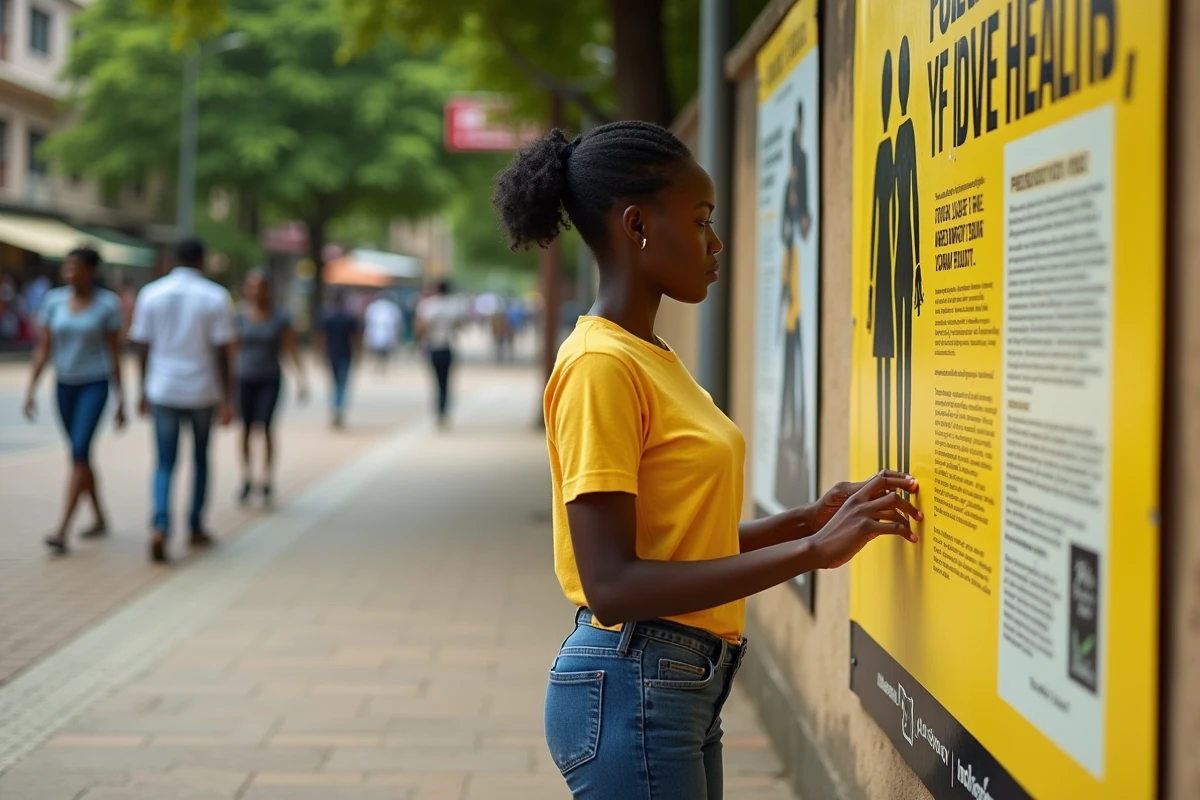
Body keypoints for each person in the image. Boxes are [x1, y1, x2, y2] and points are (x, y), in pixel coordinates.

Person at [492, 122, 922, 799]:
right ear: (637, 226)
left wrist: (806, 522)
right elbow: (612, 583)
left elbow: (677, 549)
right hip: (637, 685)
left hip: (674, 684)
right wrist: (812, 553)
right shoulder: (601, 365)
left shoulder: (649, 356)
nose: (716, 245)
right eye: (700, 222)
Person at [128, 237, 236, 564]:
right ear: (201, 260)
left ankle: (160, 523)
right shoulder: (216, 296)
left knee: (164, 461)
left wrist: (144, 389)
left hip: (163, 388)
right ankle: (195, 524)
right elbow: (223, 353)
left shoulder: (151, 293)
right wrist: (228, 397)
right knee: (201, 458)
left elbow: (142, 347)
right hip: (202, 389)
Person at [23, 248, 126, 554]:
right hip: (64, 385)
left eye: (76, 267)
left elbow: (114, 353)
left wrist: (122, 399)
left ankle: (62, 529)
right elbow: (44, 347)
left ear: (91, 270)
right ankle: (100, 517)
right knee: (80, 454)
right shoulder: (54, 300)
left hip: (94, 384)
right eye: (67, 267)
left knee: (79, 452)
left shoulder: (108, 304)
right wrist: (31, 388)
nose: (70, 272)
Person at [235, 268, 308, 507]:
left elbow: (290, 348)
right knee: (245, 429)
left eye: (261, 286)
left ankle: (266, 478)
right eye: (252, 286)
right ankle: (247, 477)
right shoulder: (240, 316)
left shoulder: (280, 317)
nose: (256, 291)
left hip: (269, 378)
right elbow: (232, 349)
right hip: (244, 377)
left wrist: (301, 378)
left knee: (266, 427)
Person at [415, 280, 463, 428]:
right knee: (446, 382)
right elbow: (460, 325)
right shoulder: (454, 306)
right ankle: (443, 410)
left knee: (436, 382)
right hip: (448, 346)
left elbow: (421, 327)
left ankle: (439, 410)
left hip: (434, 346)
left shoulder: (429, 305)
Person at [315, 289, 359, 429]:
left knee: (335, 383)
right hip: (345, 354)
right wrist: (358, 353)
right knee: (341, 384)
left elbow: (322, 338)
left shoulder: (328, 317)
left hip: (333, 354)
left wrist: (322, 354)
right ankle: (338, 408)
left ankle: (336, 407)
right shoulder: (349, 317)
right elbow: (355, 338)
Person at [363, 291, 402, 372]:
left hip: (383, 332)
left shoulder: (374, 306)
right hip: (381, 331)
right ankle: (380, 365)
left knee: (382, 350)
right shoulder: (391, 307)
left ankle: (380, 365)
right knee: (381, 350)